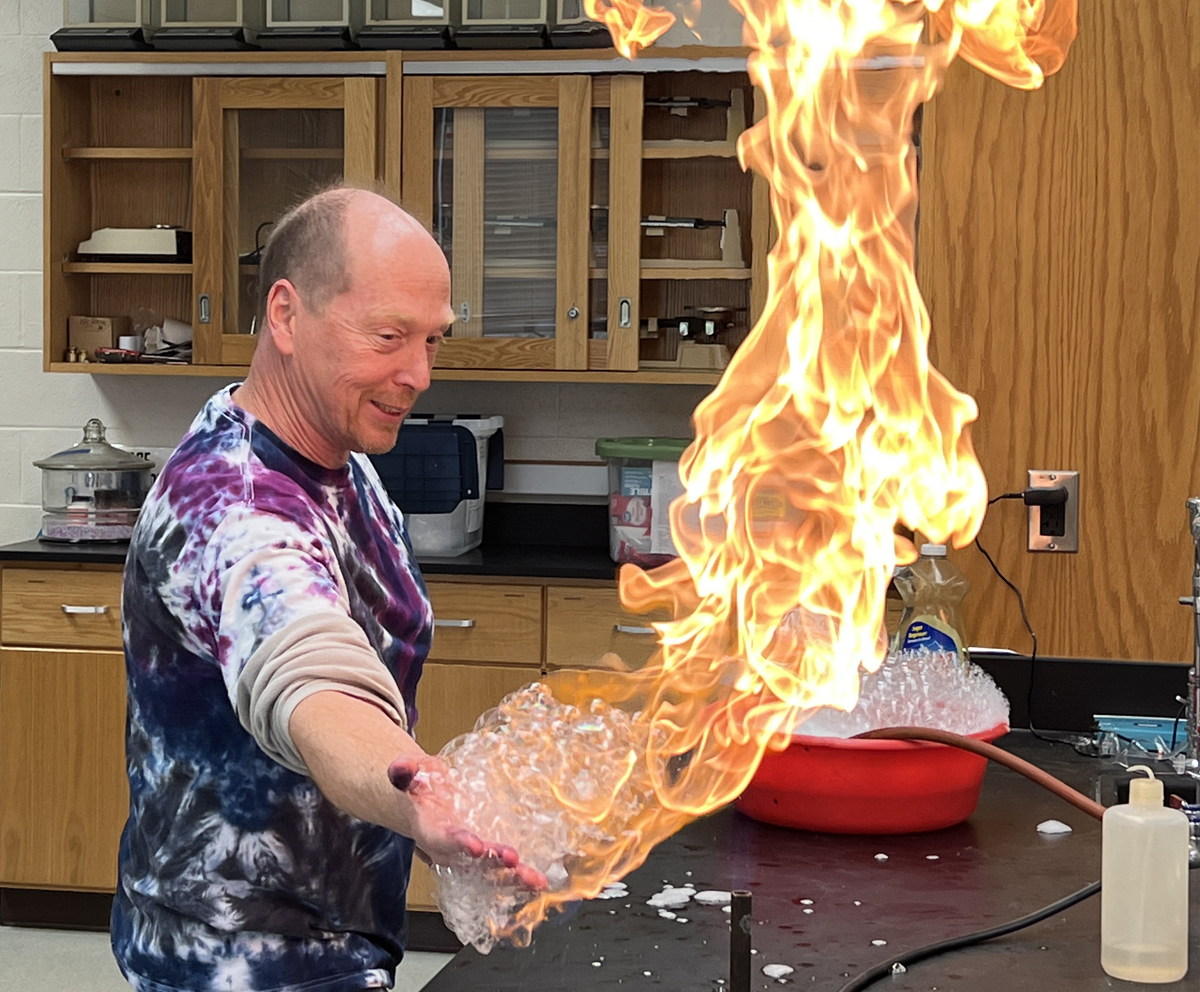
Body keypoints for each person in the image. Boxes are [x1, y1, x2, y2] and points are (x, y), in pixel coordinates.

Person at [111, 186, 544, 992]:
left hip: (333, 937)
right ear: (286, 314)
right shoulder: (236, 507)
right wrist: (421, 797)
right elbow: (310, 679)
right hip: (236, 963)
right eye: (388, 337)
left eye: (432, 341)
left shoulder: (340, 464)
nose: (416, 374)